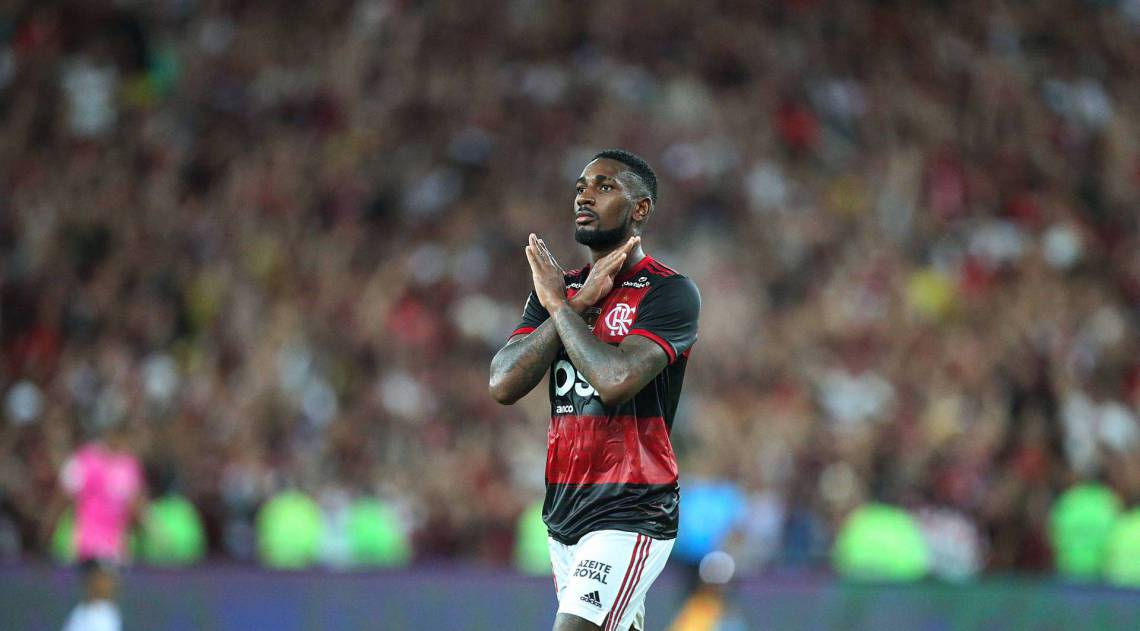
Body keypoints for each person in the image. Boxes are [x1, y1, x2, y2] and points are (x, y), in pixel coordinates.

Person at [490, 149, 701, 631]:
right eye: (581, 186)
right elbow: (503, 382)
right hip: (564, 514)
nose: (585, 194)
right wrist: (576, 301)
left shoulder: (669, 292)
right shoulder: (560, 290)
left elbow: (615, 381)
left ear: (640, 209)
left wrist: (563, 310)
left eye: (605, 186)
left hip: (631, 510)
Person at [51, 424, 146, 631]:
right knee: (97, 597)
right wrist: (56, 526)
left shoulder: (128, 465)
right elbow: (66, 494)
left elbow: (135, 503)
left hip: (115, 543)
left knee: (105, 601)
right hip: (90, 540)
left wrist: (147, 529)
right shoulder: (86, 459)